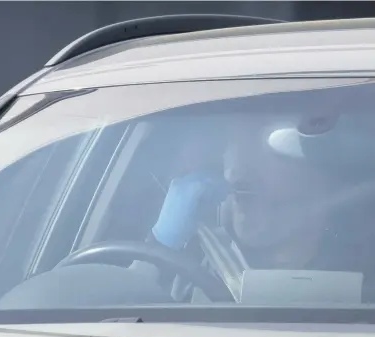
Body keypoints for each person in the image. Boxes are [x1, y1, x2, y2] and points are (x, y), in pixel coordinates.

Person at [148, 113, 375, 302]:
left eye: (262, 149)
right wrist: (159, 249)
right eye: (231, 146)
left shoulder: (367, 280)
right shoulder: (190, 271)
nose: (234, 173)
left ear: (320, 172)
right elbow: (126, 309)